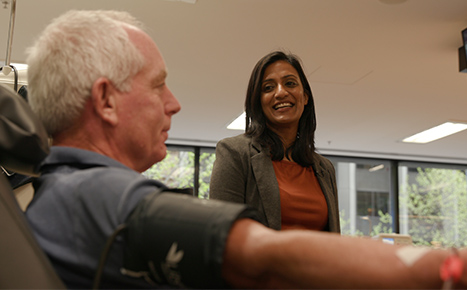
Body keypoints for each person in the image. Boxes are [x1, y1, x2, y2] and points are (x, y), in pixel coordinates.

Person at [24, 9, 467, 290]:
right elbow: (263, 262)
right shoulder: (106, 198)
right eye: (159, 85)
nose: (173, 103)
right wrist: (444, 269)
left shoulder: (55, 192)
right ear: (105, 101)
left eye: (291, 84)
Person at [210, 51, 340, 232]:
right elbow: (221, 233)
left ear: (305, 97)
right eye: (268, 88)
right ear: (258, 101)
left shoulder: (324, 168)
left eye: (290, 83)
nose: (281, 92)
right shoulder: (234, 153)